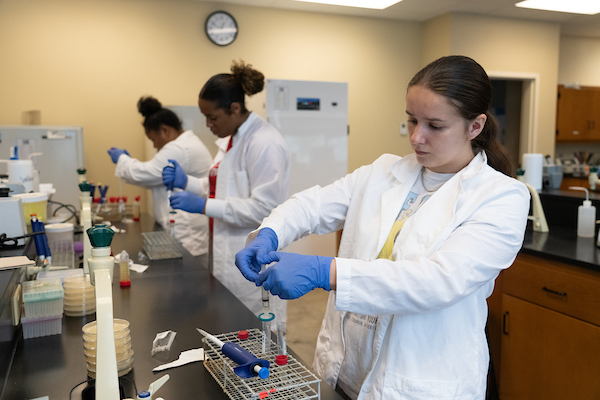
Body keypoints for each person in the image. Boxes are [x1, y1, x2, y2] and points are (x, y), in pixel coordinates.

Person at [235, 55, 530, 399]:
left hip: (419, 380)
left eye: (435, 126)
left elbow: (437, 281)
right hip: (344, 369)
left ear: (475, 126)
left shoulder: (502, 196)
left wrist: (324, 271)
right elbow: (311, 206)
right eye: (411, 120)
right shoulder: (383, 171)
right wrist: (270, 232)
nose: (417, 137)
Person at [162, 61, 290, 322]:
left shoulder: (264, 143)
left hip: (252, 260)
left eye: (213, 117)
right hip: (223, 256)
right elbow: (219, 189)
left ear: (235, 108)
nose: (208, 124)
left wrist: (203, 206)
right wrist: (187, 182)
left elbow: (263, 209)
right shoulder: (232, 139)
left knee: (253, 338)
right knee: (228, 331)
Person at [108, 96, 212, 257]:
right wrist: (127, 162)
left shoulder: (179, 148)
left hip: (188, 233)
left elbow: (148, 173)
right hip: (182, 228)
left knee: (189, 276)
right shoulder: (183, 144)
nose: (155, 145)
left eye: (153, 139)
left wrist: (123, 159)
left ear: (165, 131)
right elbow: (155, 178)